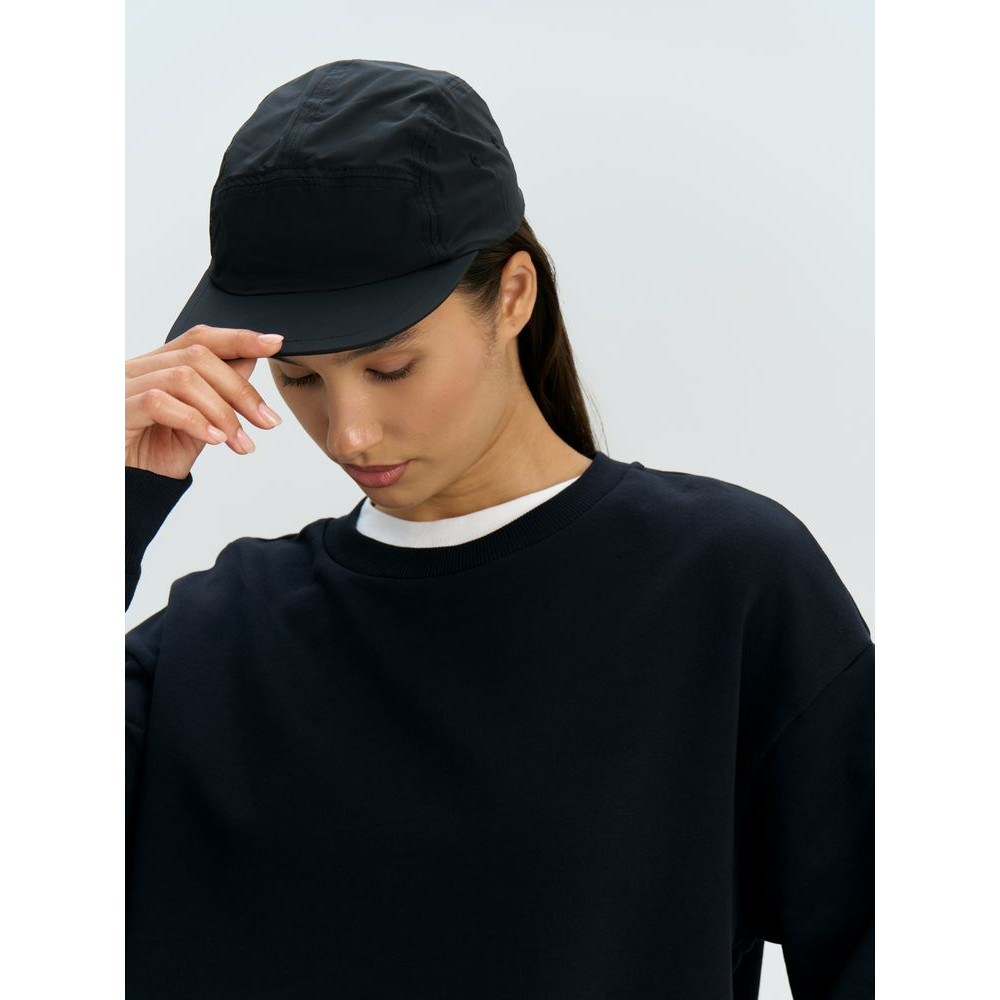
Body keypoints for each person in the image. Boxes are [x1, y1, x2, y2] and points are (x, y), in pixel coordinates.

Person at [125, 59, 874, 999]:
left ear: (513, 295)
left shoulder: (725, 586)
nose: (348, 434)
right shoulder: (215, 642)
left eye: (391, 368)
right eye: (301, 378)